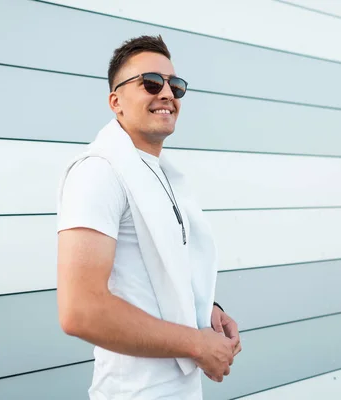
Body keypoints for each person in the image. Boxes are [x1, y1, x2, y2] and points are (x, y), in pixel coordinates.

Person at [56, 34, 242, 399]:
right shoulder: (99, 172)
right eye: (151, 83)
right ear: (116, 102)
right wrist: (196, 344)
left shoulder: (159, 173)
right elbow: (80, 310)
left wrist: (207, 310)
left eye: (176, 85)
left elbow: (157, 275)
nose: (167, 93)